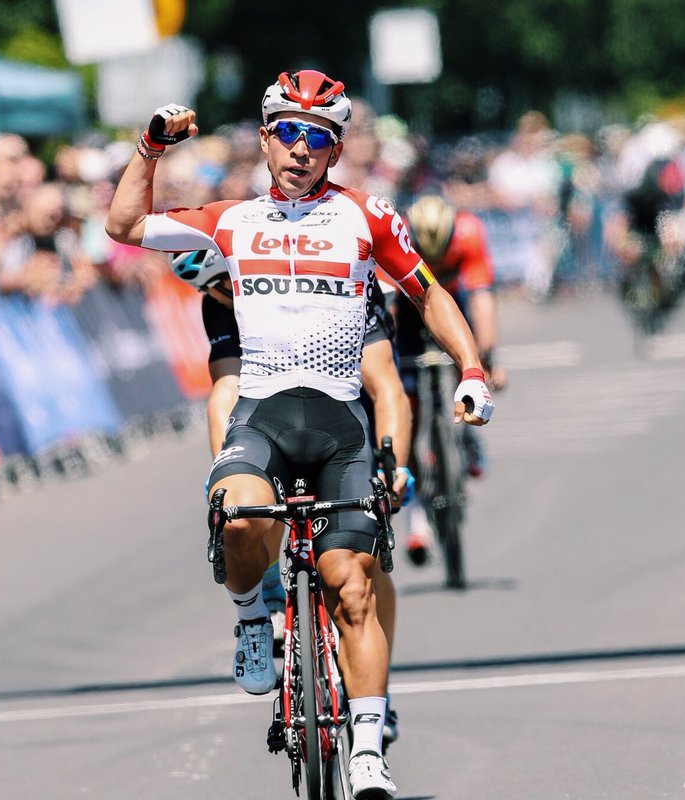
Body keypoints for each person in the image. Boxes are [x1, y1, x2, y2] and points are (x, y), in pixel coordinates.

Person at [107, 69, 493, 799]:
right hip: (265, 415)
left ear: (335, 150)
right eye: (287, 132)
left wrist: (471, 369)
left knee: (355, 586)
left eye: (317, 137)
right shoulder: (231, 220)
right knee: (238, 520)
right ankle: (253, 616)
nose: (301, 148)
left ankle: (369, 748)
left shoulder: (367, 216)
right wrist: (149, 150)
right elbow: (124, 228)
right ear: (265, 139)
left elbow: (429, 293)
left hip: (341, 425)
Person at [173, 247, 414, 745]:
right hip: (272, 416)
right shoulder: (219, 303)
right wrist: (225, 468)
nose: (223, 295)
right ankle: (265, 588)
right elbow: (225, 392)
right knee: (258, 502)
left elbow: (386, 386)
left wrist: (396, 466)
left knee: (365, 566)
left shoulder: (339, 282)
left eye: (226, 282)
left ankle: (378, 689)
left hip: (351, 410)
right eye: (212, 289)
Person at [398, 194, 504, 563]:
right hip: (407, 307)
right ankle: (416, 517)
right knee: (406, 410)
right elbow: (385, 310)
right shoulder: (397, 235)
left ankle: (470, 437)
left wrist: (487, 360)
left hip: (452, 301)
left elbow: (482, 300)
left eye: (442, 257)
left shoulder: (469, 233)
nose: (438, 264)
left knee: (470, 356)